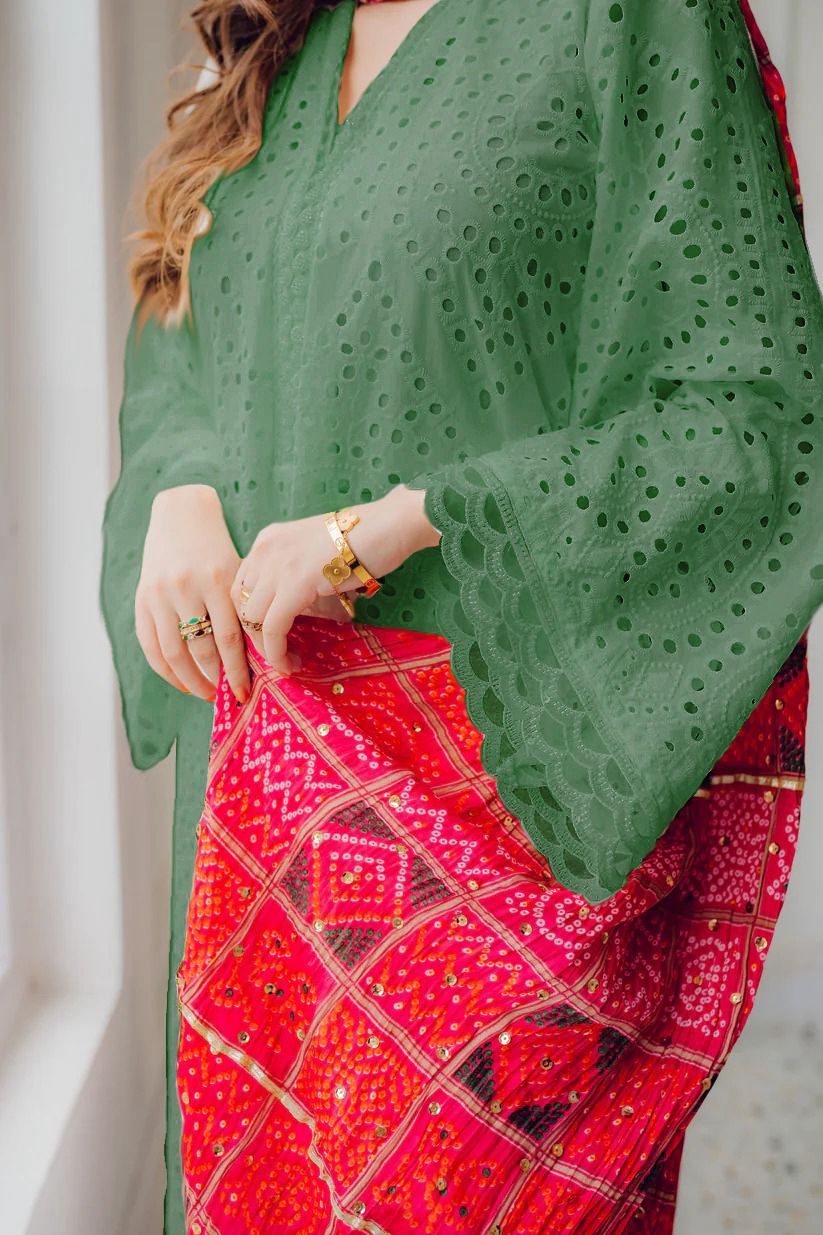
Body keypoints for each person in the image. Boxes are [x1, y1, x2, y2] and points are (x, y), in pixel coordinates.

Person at [99, 1, 823, 1231]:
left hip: (492, 841)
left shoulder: (636, 18)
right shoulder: (285, 41)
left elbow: (756, 422)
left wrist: (410, 519)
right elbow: (184, 342)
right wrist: (176, 489)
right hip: (256, 844)